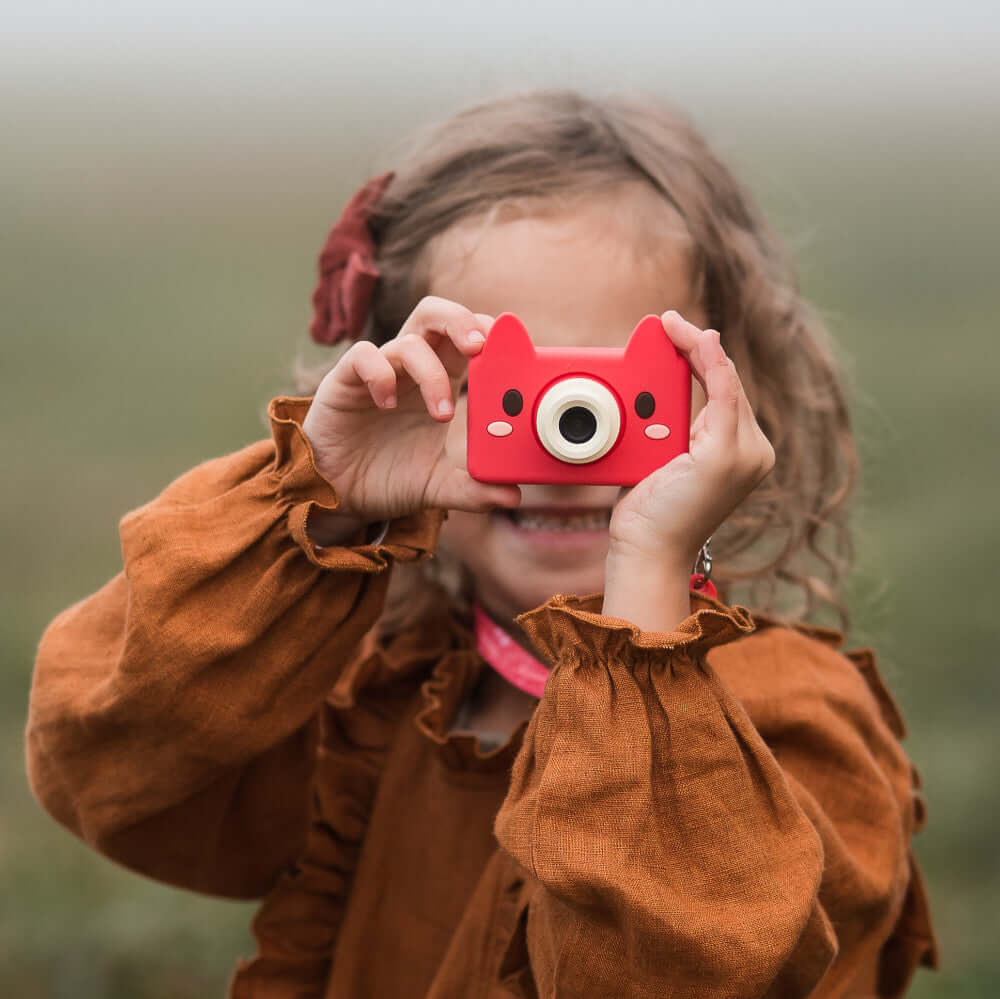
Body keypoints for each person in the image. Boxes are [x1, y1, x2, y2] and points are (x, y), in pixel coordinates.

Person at [25, 88, 939, 998]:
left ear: (737, 408)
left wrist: (647, 597)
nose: (563, 440)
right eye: (506, 383)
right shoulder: (370, 695)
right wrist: (322, 505)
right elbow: (107, 767)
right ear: (396, 379)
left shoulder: (792, 731)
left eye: (623, 391)